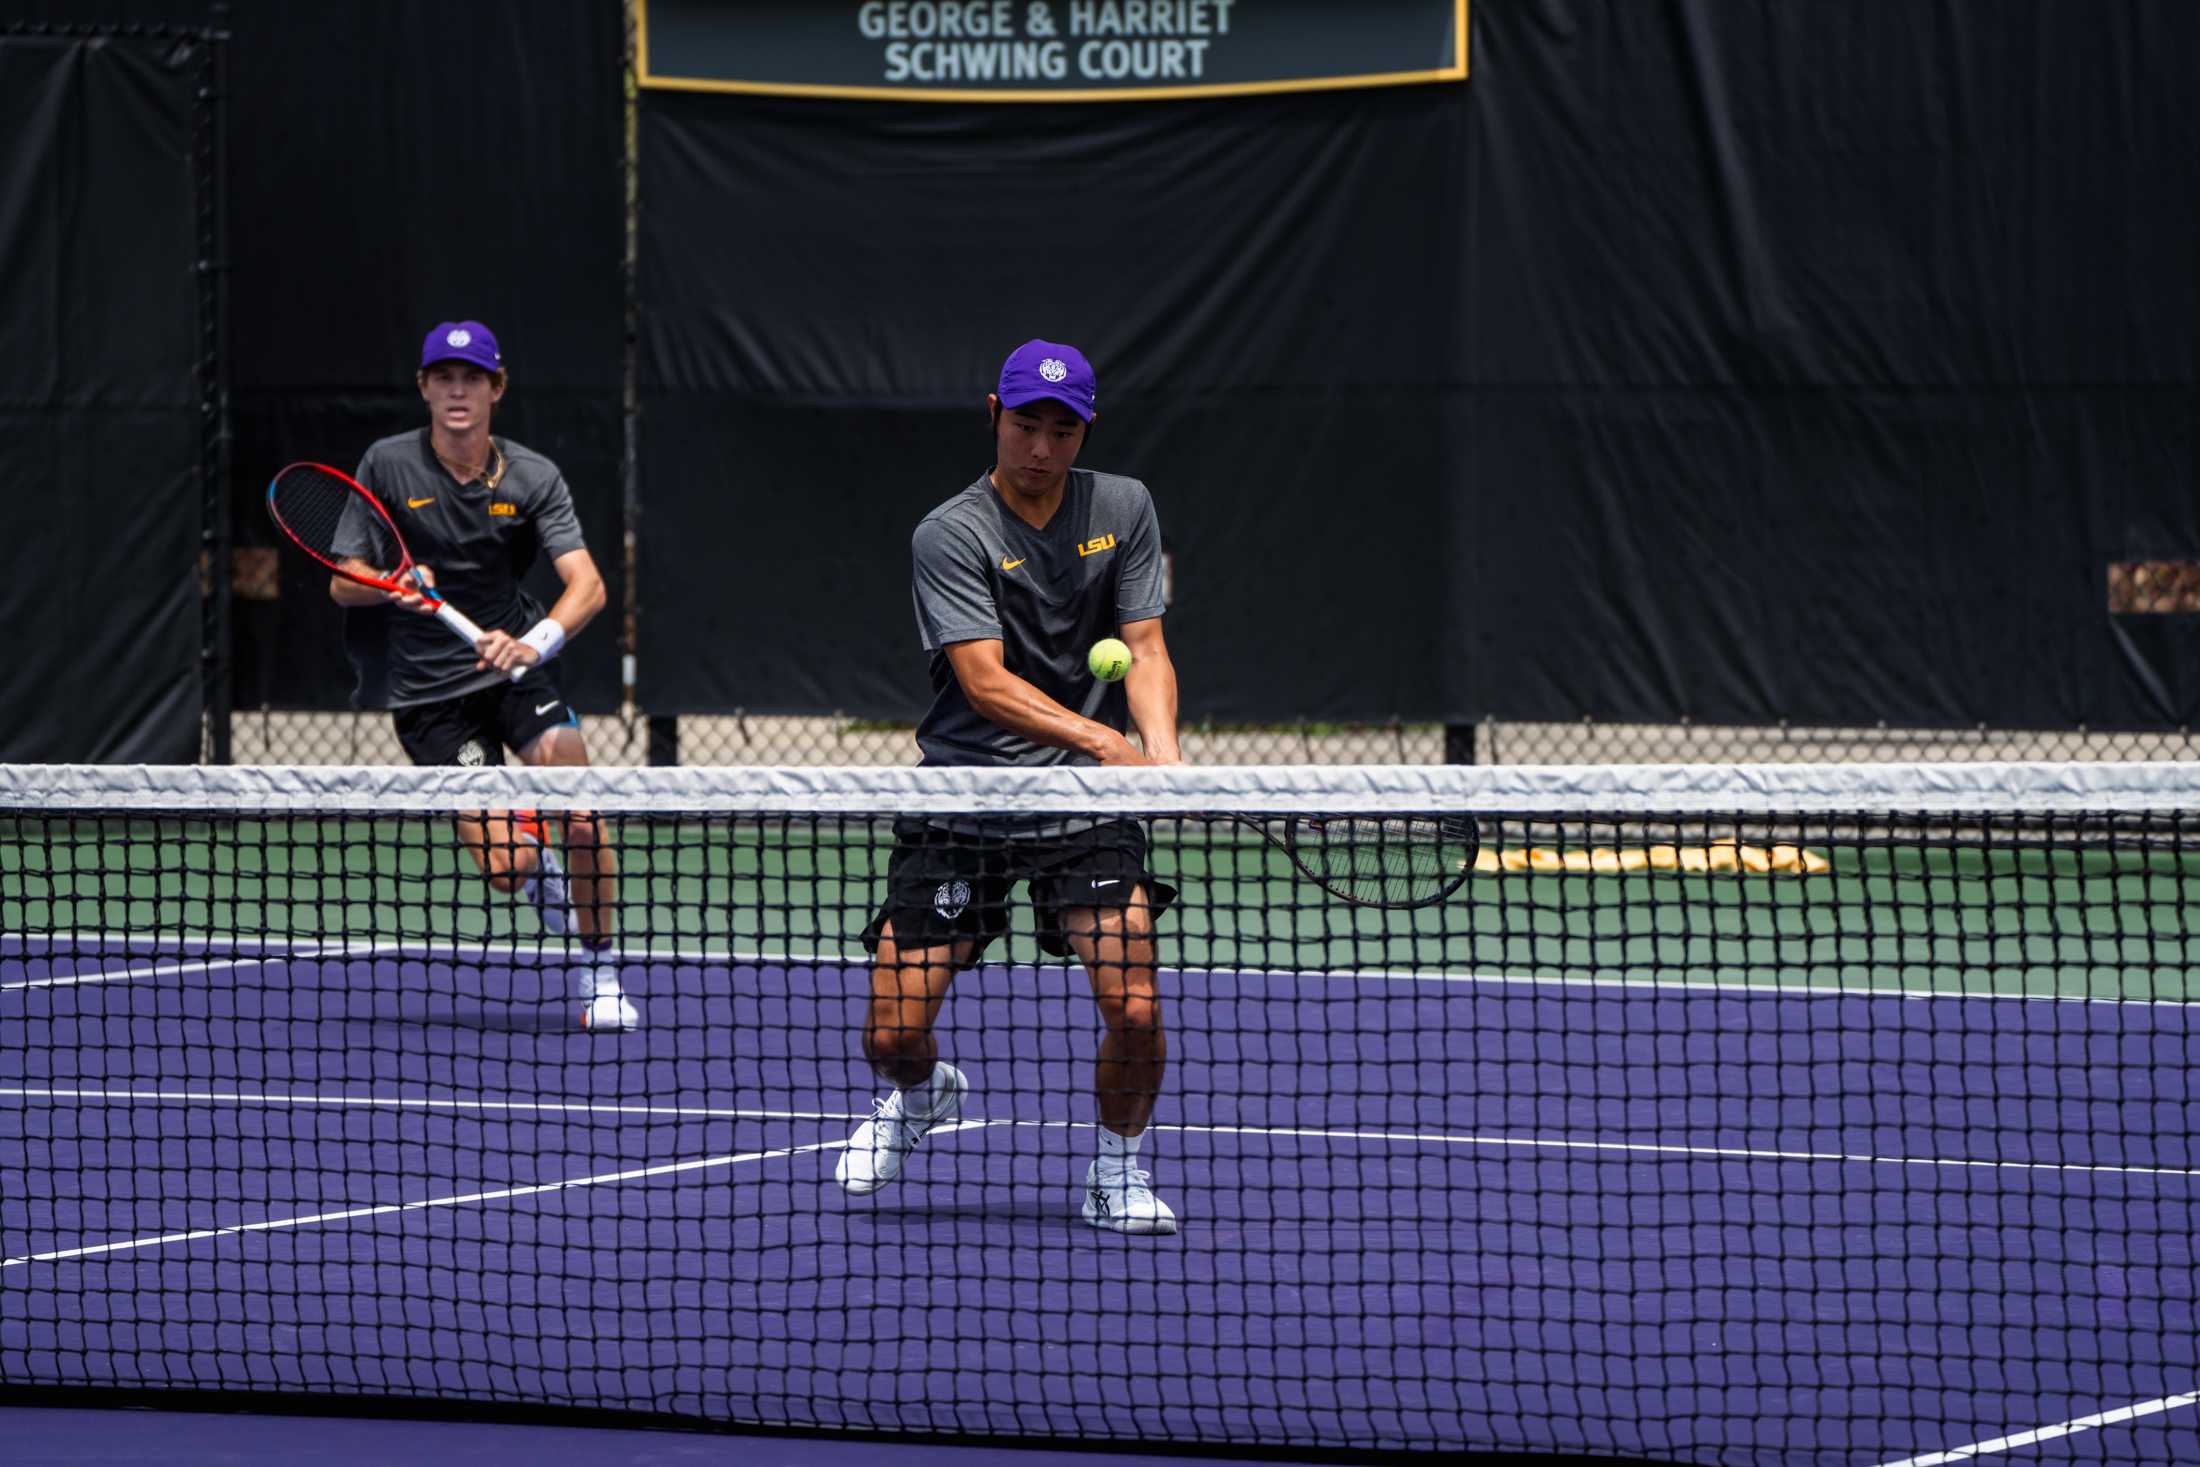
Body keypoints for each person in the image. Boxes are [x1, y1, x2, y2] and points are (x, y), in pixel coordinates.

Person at [839, 339, 1183, 1234]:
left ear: (1086, 431)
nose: (1041, 446)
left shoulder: (1125, 507)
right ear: (994, 412)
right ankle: (921, 1097)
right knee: (892, 1036)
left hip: (1082, 809)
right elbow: (985, 683)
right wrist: (1107, 741)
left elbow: (1143, 646)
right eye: (1026, 424)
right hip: (962, 799)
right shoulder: (950, 532)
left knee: (1136, 1007)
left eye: (1062, 430)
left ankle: (1115, 1171)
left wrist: (1165, 753)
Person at [327, 319, 637, 1032]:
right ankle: (536, 873)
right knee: (505, 864)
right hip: (433, 699)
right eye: (443, 377)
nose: (456, 390)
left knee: (583, 820)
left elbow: (586, 585)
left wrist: (533, 644)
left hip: (517, 673)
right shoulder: (388, 464)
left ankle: (600, 972)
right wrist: (393, 585)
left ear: (496, 388)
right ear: (425, 389)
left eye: (471, 378)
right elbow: (344, 581)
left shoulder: (532, 476)